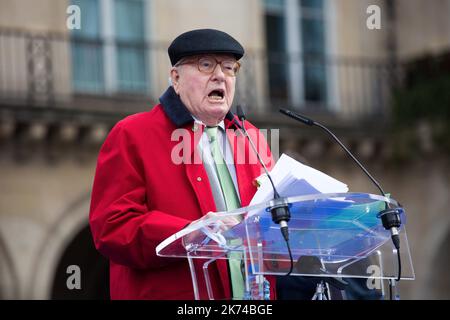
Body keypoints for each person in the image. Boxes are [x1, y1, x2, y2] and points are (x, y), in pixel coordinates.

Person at [89, 29, 276, 300]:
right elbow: (112, 228)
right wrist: (190, 234)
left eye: (229, 67)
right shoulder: (132, 134)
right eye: (206, 65)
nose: (220, 76)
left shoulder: (253, 137)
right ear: (175, 78)